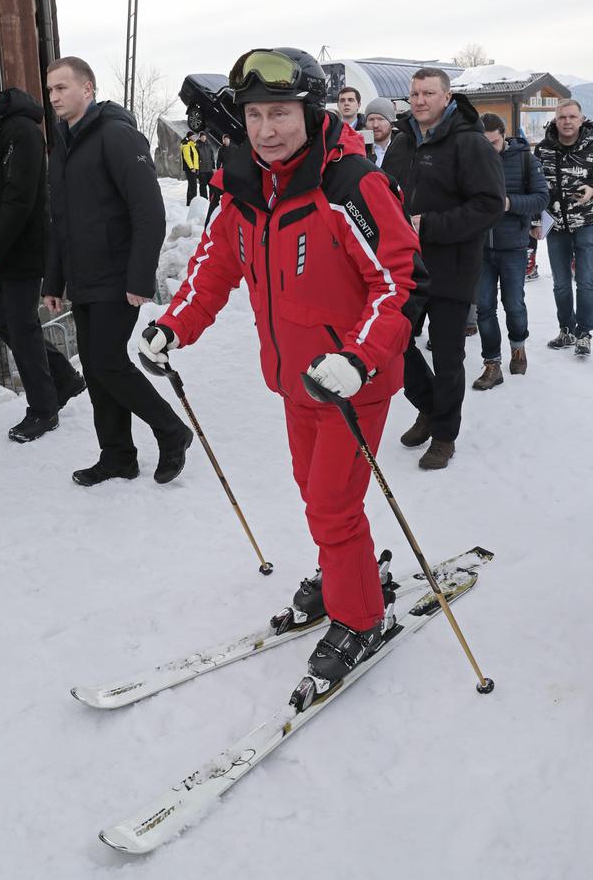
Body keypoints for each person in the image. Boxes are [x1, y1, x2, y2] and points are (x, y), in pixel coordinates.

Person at [138, 47, 427, 695]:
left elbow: (396, 285)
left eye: (281, 113)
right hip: (295, 381)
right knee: (320, 496)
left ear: (310, 112)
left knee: (331, 502)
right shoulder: (247, 188)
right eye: (256, 114)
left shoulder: (347, 184)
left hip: (355, 385)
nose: (267, 129)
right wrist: (173, 325)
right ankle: (347, 570)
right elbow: (216, 266)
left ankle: (360, 616)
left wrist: (357, 359)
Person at [43, 56, 192, 487]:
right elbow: (59, 220)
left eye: (62, 88)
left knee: (108, 362)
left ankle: (172, 431)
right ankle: (118, 457)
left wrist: (139, 278)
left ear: (87, 89)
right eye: (50, 90)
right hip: (84, 277)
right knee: (94, 367)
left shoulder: (116, 135)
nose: (54, 97)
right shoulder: (62, 143)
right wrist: (54, 280)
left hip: (117, 274)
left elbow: (149, 212)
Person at [0, 62, 85, 443]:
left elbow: (19, 199)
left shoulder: (21, 132)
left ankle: (43, 411)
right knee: (1, 320)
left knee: (22, 327)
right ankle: (66, 378)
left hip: (22, 248)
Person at [383, 67, 505, 469]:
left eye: (428, 93)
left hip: (452, 268)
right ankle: (430, 408)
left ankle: (444, 434)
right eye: (415, 93)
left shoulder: (469, 143)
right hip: (404, 268)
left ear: (447, 97)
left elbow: (488, 205)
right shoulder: (401, 141)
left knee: (448, 358)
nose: (419, 100)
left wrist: (427, 226)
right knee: (395, 344)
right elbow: (382, 195)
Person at [471, 113, 549, 390]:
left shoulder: (526, 159)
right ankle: (492, 363)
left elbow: (541, 198)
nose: (488, 148)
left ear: (503, 136)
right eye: (483, 143)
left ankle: (518, 347)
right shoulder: (471, 160)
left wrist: (509, 203)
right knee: (484, 309)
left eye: (493, 142)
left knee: (514, 304)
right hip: (479, 247)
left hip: (513, 246)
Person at [534, 99, 593, 356]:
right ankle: (566, 329)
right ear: (555, 121)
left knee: (586, 281)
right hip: (555, 225)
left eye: (572, 117)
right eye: (562, 117)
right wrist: (536, 220)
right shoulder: (543, 149)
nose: (567, 122)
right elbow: (534, 186)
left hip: (587, 223)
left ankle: (584, 333)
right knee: (560, 282)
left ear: (581, 120)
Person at [363, 97, 398, 167]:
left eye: (380, 119)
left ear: (391, 123)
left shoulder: (403, 149)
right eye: (371, 119)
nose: (375, 125)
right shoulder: (360, 151)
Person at [180, 130, 199, 205]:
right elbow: (187, 157)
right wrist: (192, 167)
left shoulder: (192, 144)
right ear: (190, 137)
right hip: (190, 169)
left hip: (194, 168)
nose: (194, 137)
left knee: (191, 185)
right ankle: (192, 203)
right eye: (193, 136)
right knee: (193, 187)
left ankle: (189, 202)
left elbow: (195, 157)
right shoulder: (186, 144)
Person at [196, 130, 215, 199]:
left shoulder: (208, 145)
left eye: (204, 137)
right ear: (199, 138)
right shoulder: (197, 146)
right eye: (202, 137)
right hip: (202, 170)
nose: (203, 138)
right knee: (203, 186)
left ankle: (212, 199)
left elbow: (212, 156)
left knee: (212, 185)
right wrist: (197, 169)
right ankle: (204, 200)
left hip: (209, 169)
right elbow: (195, 158)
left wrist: (213, 166)